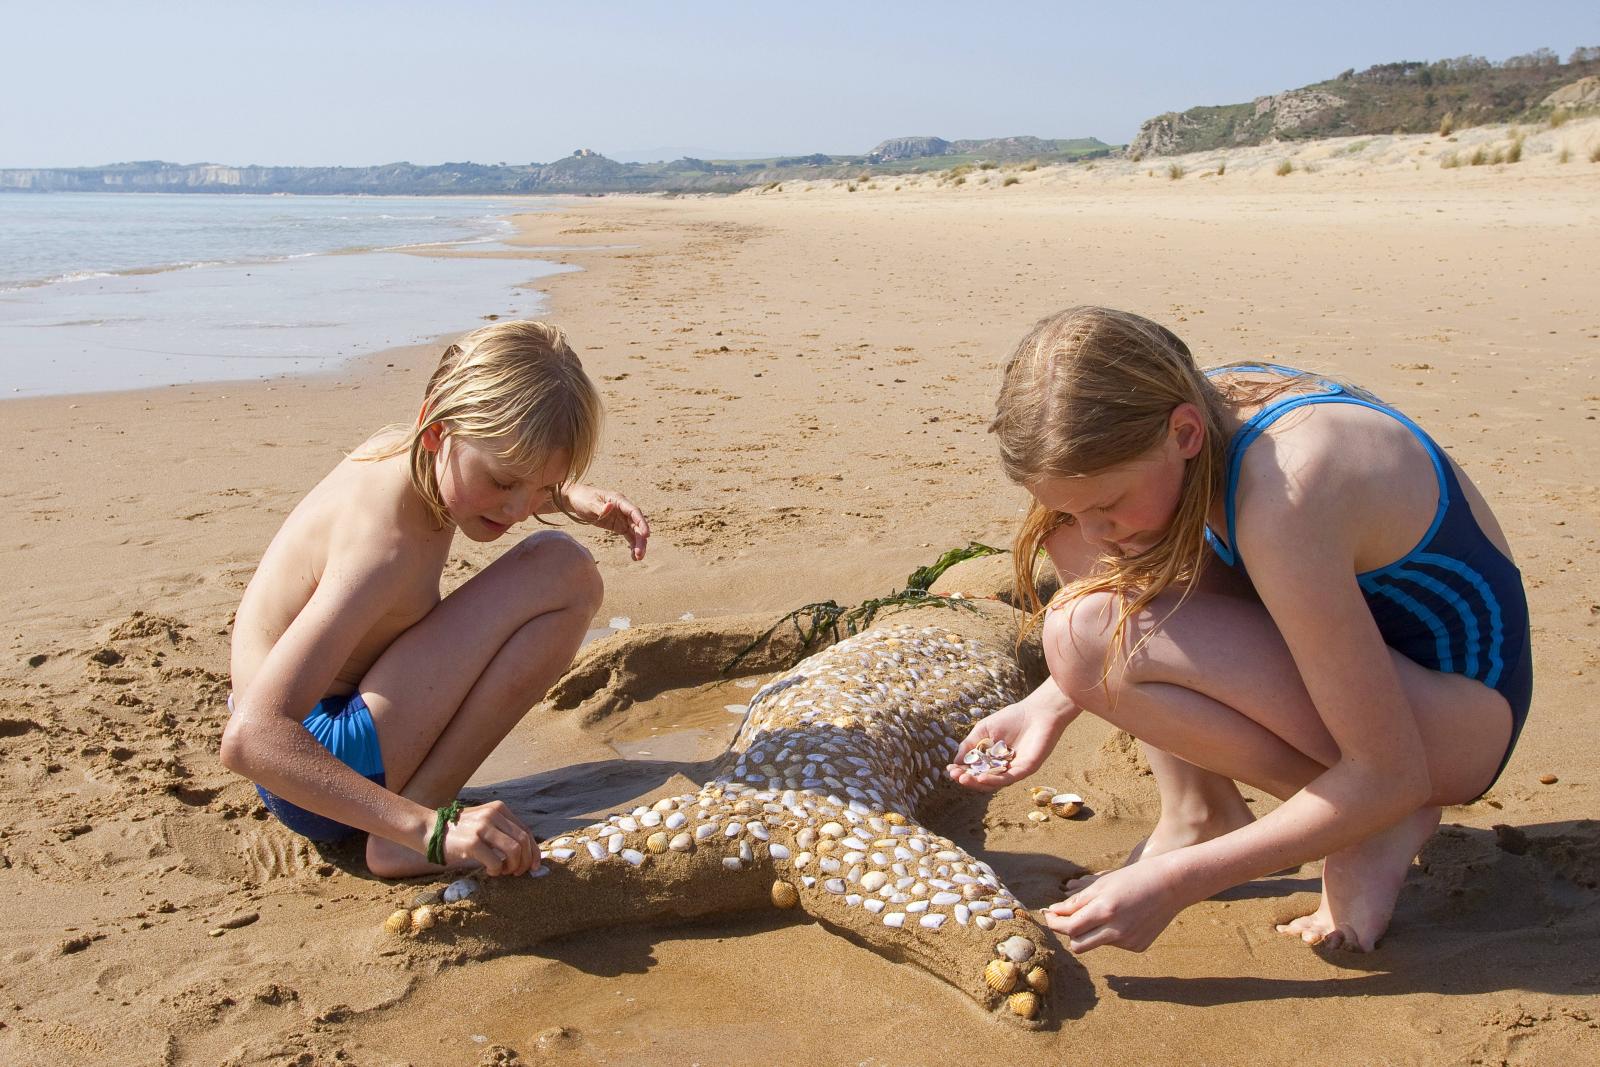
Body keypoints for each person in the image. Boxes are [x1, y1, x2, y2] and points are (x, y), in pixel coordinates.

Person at [947, 306, 1531, 955]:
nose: (1093, 528)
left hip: (1459, 716)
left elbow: (1391, 769)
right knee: (1074, 585)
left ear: (1186, 432)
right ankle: (1197, 811)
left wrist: (1178, 882)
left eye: (1106, 503)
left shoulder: (1288, 490)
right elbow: (1111, 570)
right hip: (1375, 658)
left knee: (1086, 626)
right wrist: (1050, 701)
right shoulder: (1173, 409)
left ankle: (1365, 828)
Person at [222, 320, 649, 879]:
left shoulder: (403, 454)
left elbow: (495, 462)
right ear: (435, 430)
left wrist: (567, 495)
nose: (521, 509)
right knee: (564, 571)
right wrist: (428, 829)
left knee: (557, 557)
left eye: (541, 486)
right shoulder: (383, 548)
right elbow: (252, 739)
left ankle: (407, 815)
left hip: (319, 749)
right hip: (311, 769)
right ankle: (409, 831)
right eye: (503, 482)